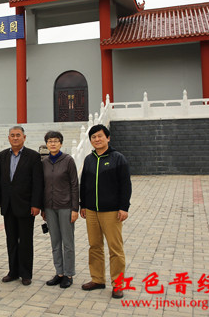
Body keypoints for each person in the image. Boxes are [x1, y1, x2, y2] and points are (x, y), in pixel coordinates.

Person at [79, 124, 132, 299]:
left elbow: (125, 185)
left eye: (100, 136)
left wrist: (124, 207)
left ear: (108, 138)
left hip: (111, 211)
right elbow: (84, 184)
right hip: (92, 211)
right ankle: (98, 279)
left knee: (115, 249)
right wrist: (83, 205)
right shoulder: (89, 159)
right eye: (93, 137)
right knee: (94, 246)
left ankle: (118, 284)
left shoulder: (118, 158)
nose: (97, 139)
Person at [0, 126, 43, 286]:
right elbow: (0, 182)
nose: (15, 138)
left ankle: (26, 273)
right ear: (8, 138)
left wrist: (36, 204)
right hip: (8, 206)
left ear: (24, 137)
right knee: (11, 240)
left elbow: (38, 182)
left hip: (26, 205)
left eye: (18, 135)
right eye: (12, 135)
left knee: (25, 241)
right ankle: (13, 271)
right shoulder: (2, 156)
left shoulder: (33, 156)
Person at [41, 131, 79, 289]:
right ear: (47, 144)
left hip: (65, 207)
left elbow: (75, 185)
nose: (53, 144)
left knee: (68, 243)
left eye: (56, 141)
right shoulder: (44, 162)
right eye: (50, 141)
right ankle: (59, 273)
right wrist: (43, 208)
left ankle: (69, 274)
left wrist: (75, 208)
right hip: (49, 208)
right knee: (55, 241)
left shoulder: (68, 160)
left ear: (61, 143)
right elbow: (41, 186)